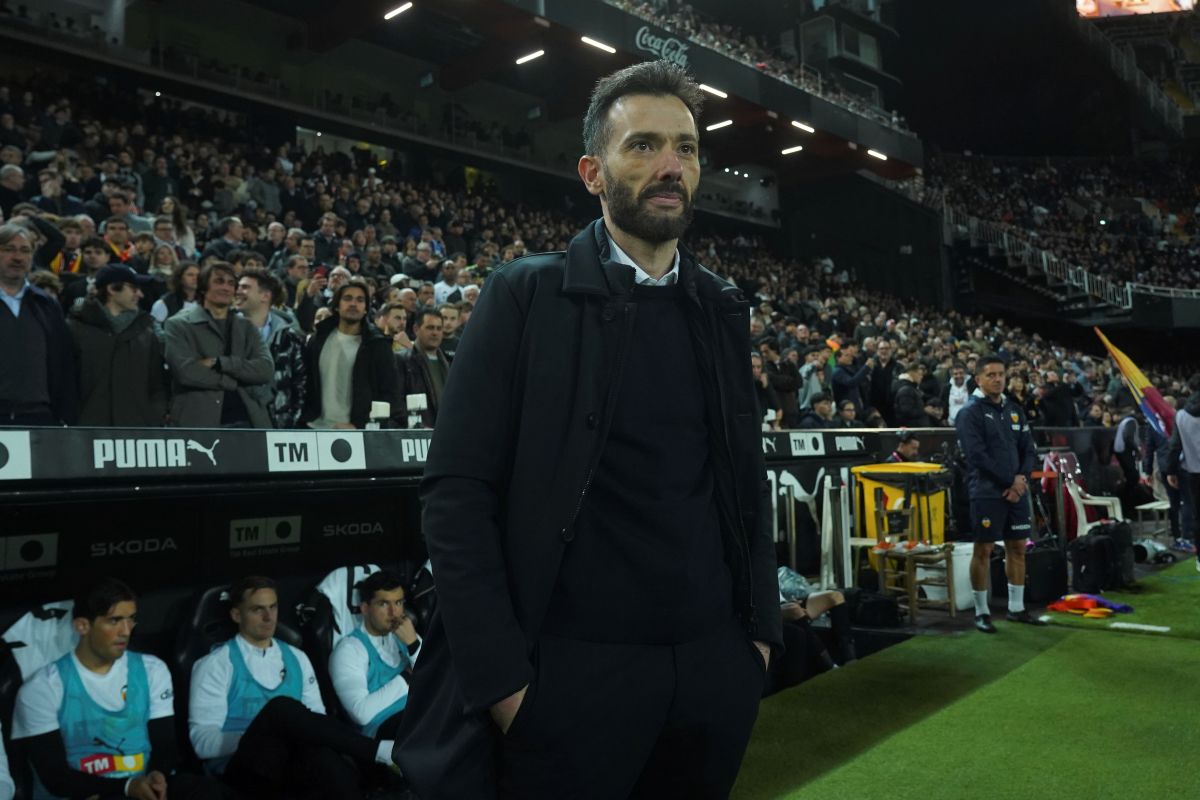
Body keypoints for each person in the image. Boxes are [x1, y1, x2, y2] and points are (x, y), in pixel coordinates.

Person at [397, 60, 781, 800]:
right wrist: (505, 685)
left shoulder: (721, 307)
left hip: (711, 676)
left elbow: (744, 484)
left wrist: (755, 644)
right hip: (566, 681)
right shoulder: (524, 294)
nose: (670, 166)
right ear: (592, 172)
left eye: (687, 149)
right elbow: (455, 493)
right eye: (643, 146)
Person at [11, 578, 224, 800]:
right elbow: (55, 777)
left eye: (131, 619)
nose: (125, 631)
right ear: (82, 626)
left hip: (140, 790)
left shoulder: (152, 670)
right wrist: (126, 787)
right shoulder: (43, 687)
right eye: (114, 621)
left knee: (204, 790)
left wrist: (157, 775)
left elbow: (165, 745)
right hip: (85, 794)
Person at [189, 576, 389, 799]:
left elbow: (317, 721)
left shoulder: (297, 658)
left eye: (273, 607)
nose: (268, 617)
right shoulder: (215, 665)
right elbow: (202, 743)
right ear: (237, 615)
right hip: (242, 771)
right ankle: (376, 751)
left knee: (320, 753)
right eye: (257, 610)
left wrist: (289, 734)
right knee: (280, 710)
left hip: (288, 765)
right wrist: (268, 732)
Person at [956, 355, 1045, 633]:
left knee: (1017, 548)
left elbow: (1028, 449)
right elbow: (976, 456)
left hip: (1016, 491)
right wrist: (1010, 481)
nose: (997, 379)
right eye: (991, 374)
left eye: (1001, 374)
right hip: (986, 492)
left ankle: (1016, 608)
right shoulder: (969, 413)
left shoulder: (1014, 410)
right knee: (983, 550)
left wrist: (1020, 481)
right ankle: (982, 612)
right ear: (979, 378)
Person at [164, 261, 273, 428]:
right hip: (199, 423)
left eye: (231, 283)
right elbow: (186, 372)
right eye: (219, 281)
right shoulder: (178, 325)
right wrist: (233, 381)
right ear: (203, 287)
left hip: (249, 422)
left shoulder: (247, 327)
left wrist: (220, 363)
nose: (226, 288)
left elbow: (265, 370)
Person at [67, 264, 166, 426]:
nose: (140, 295)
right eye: (133, 288)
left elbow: (157, 385)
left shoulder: (146, 333)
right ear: (112, 289)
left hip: (138, 430)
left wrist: (154, 415)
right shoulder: (76, 328)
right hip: (88, 430)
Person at [0, 224, 78, 426]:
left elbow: (63, 362)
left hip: (39, 416)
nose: (18, 257)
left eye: (25, 250)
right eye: (9, 249)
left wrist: (64, 414)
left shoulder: (46, 304)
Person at [329, 570, 421, 740]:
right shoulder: (349, 650)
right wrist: (408, 677)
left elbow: (436, 681)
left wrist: (414, 646)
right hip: (386, 729)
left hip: (422, 712)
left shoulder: (408, 636)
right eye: (384, 604)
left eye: (398, 602)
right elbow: (361, 713)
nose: (394, 613)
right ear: (365, 608)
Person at [302, 278, 402, 429]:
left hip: (356, 432)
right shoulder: (317, 340)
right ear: (337, 306)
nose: (353, 304)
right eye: (347, 298)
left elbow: (389, 393)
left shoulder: (378, 345)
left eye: (360, 300)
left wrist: (362, 425)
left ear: (366, 308)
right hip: (314, 427)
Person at [235, 269, 307, 428]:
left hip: (278, 425)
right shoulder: (224, 331)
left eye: (245, 287)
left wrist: (290, 421)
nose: (238, 291)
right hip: (235, 422)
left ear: (265, 296)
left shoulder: (290, 337)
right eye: (238, 287)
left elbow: (300, 385)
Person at [1167, 375, 1200, 572]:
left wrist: (1171, 470)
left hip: (1194, 472)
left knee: (1198, 516)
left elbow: (1174, 446)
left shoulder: (1180, 415)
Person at [396, 309, 450, 429]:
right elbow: (397, 401)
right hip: (418, 434)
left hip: (447, 431)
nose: (435, 333)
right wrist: (417, 426)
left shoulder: (451, 362)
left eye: (439, 328)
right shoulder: (402, 360)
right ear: (416, 329)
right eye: (430, 328)